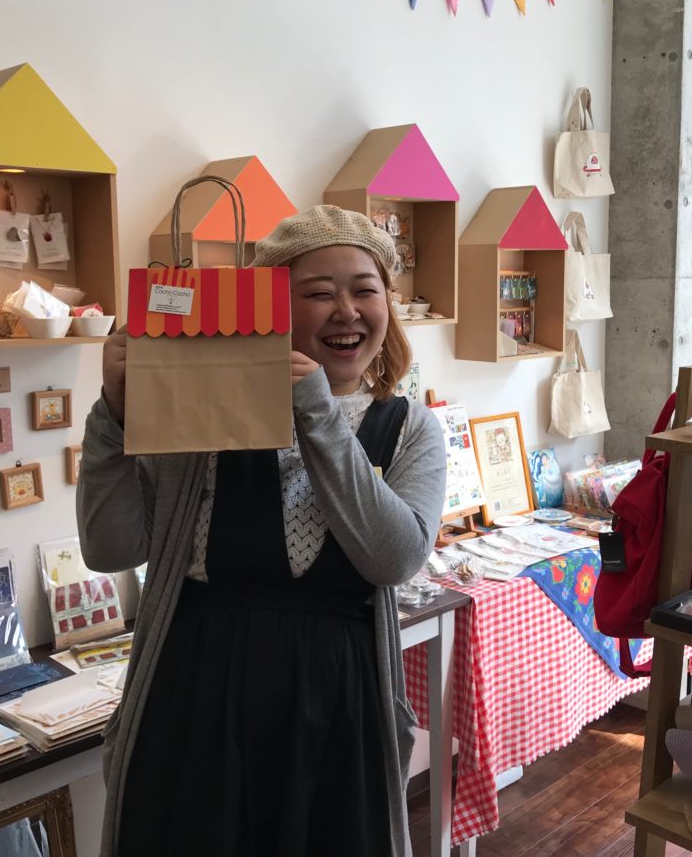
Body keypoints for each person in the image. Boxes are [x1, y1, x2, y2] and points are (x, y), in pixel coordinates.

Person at [77, 205, 447, 856]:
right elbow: (111, 549)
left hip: (339, 704)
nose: (346, 311)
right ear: (271, 308)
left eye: (364, 290)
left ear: (387, 305)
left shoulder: (409, 428)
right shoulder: (202, 421)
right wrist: (112, 419)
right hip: (196, 694)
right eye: (318, 293)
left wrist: (318, 412)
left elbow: (393, 559)